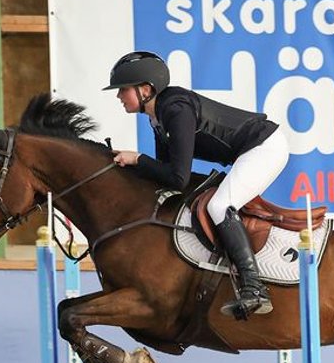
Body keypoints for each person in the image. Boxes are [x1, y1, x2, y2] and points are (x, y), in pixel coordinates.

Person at [105, 51, 288, 319]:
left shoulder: (175, 109)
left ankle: (254, 288)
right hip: (248, 151)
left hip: (264, 147)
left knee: (220, 205)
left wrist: (137, 158)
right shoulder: (157, 116)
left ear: (145, 89)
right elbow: (166, 176)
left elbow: (178, 176)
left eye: (123, 90)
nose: (118, 96)